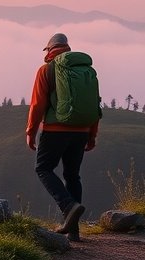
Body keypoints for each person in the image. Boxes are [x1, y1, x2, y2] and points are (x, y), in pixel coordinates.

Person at [26, 32, 98, 241]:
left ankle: (69, 206)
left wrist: (31, 132)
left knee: (43, 168)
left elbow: (38, 105)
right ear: (67, 49)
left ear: (49, 50)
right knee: (72, 175)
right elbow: (94, 105)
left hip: (55, 131)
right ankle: (74, 232)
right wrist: (92, 135)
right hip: (82, 131)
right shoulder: (87, 72)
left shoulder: (46, 70)